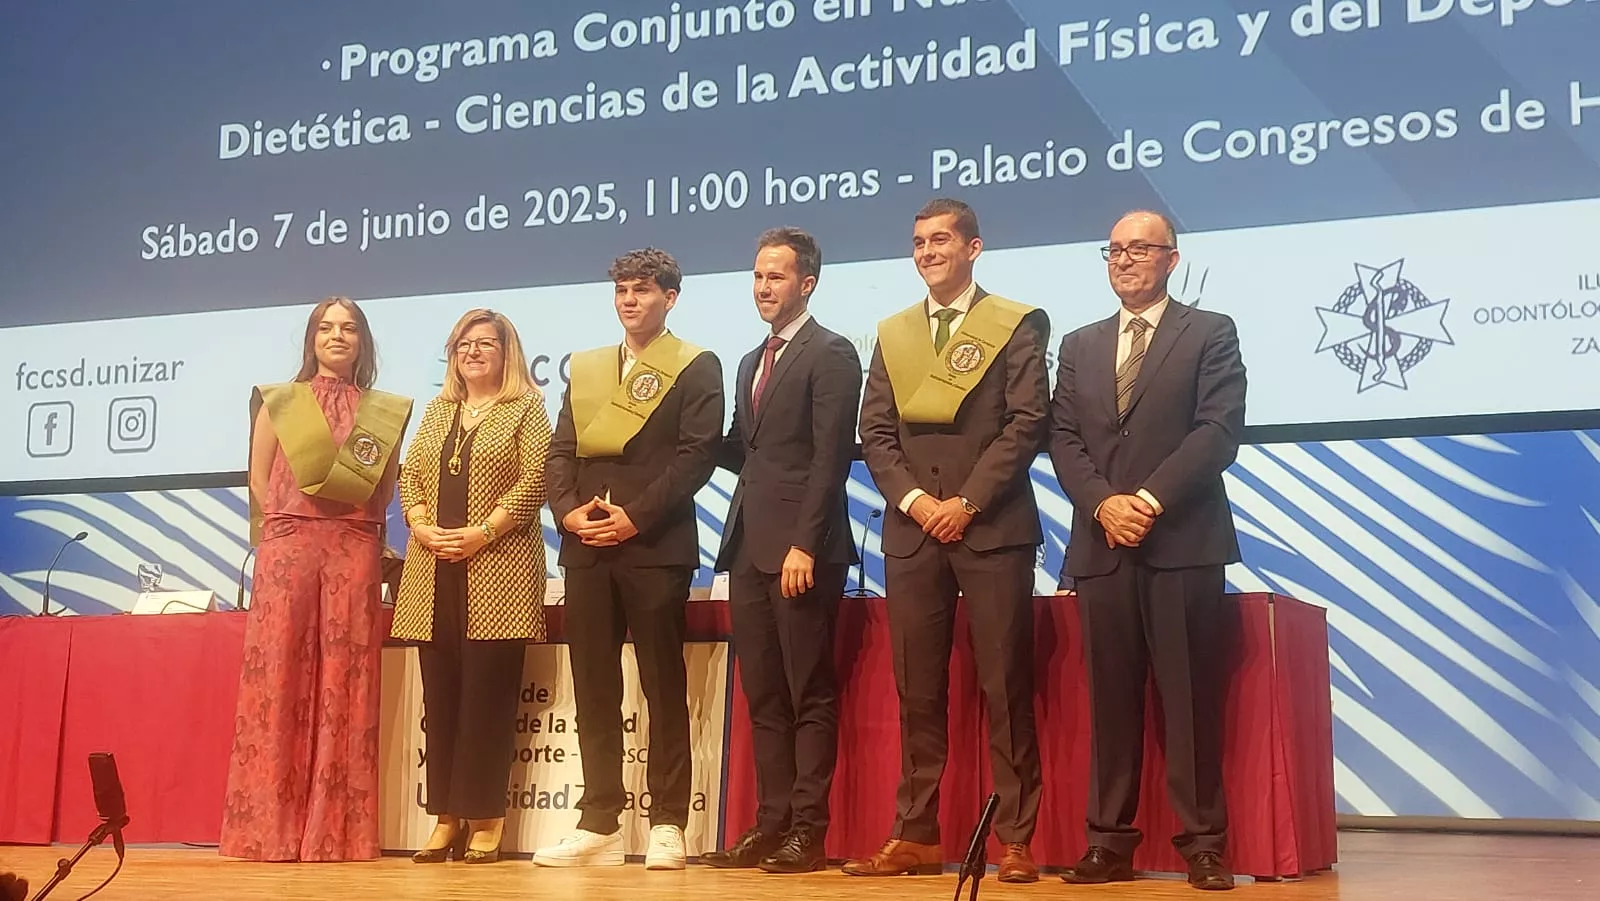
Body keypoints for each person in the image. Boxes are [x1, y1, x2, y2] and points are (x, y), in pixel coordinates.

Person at [848, 198, 1048, 882]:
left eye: (941, 239)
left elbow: (1027, 423)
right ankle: (916, 831)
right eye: (919, 241)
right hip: (912, 531)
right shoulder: (894, 331)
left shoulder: (1015, 323)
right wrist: (912, 499)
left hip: (990, 527)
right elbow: (875, 431)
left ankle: (1017, 836)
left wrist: (964, 501)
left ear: (973, 248)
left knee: (1004, 683)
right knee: (918, 689)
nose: (928, 250)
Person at [1048, 210, 1246, 891]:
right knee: (1111, 701)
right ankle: (1108, 843)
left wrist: (1148, 501)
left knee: (1190, 699)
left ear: (1172, 259)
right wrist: (1105, 502)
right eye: (1114, 249)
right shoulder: (1078, 344)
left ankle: (1204, 844)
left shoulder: (1210, 332)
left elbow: (1217, 431)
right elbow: (1063, 439)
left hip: (1182, 543)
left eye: (1140, 248)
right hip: (1103, 544)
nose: (1124, 259)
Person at [533, 248, 724, 871]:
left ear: (671, 296)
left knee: (662, 684)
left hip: (654, 546)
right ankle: (599, 821)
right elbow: (561, 450)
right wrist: (565, 511)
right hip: (585, 548)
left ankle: (669, 820)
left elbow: (696, 456)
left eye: (642, 290)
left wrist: (635, 515)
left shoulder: (695, 365)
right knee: (593, 684)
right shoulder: (586, 369)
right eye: (621, 290)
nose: (629, 301)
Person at [220, 297, 413, 862]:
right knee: (279, 673)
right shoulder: (280, 402)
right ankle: (267, 828)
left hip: (353, 546)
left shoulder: (383, 410)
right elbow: (258, 477)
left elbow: (385, 487)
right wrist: (290, 530)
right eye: (326, 327)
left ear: (363, 341)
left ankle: (338, 831)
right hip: (289, 546)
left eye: (349, 327)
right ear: (312, 339)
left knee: (345, 680)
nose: (338, 335)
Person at [703, 228, 862, 874]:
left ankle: (808, 830)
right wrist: (679, 430)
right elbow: (746, 448)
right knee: (764, 693)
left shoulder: (833, 352)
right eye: (758, 276)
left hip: (802, 549)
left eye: (776, 276)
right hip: (747, 546)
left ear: (807, 283)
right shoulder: (749, 360)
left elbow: (829, 459)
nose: (764, 287)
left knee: (807, 692)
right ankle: (768, 825)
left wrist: (805, 542)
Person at [391, 308, 552, 865]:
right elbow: (410, 475)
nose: (473, 352)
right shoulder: (438, 410)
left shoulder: (526, 407)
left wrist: (483, 532)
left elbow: (536, 482)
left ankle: (486, 817)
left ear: (508, 352)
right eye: (463, 343)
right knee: (442, 701)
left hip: (498, 573)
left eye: (486, 343)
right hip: (432, 572)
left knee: (486, 700)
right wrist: (416, 520)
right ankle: (445, 818)